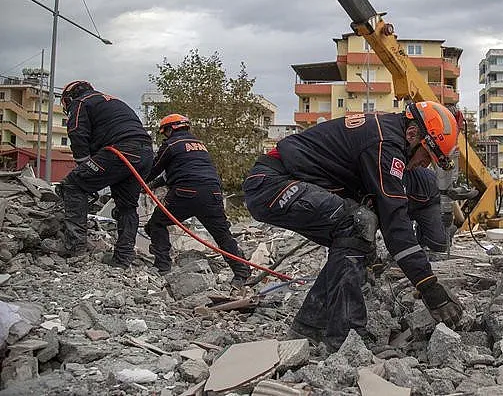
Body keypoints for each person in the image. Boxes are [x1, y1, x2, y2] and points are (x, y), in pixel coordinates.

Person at [243, 101, 463, 350]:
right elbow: (396, 223)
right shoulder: (385, 145)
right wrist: (428, 286)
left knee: (354, 239)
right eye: (427, 155)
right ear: (412, 134)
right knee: (357, 226)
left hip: (278, 183)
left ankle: (308, 328)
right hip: (272, 185)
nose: (425, 164)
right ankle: (348, 337)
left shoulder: (386, 135)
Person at [42, 80, 154, 268]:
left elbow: (77, 133)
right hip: (145, 153)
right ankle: (123, 258)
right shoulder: (113, 102)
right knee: (127, 206)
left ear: (69, 98)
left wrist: (83, 169)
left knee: (73, 184)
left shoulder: (81, 103)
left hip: (121, 151)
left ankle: (74, 245)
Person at [144, 114, 252, 287]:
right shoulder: (200, 146)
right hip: (213, 194)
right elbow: (181, 171)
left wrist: (140, 182)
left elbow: (154, 169)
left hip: (184, 193)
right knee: (222, 235)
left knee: (156, 224)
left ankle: (163, 266)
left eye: (165, 132)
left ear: (171, 129)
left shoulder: (171, 144)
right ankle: (241, 273)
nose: (165, 136)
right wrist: (155, 185)